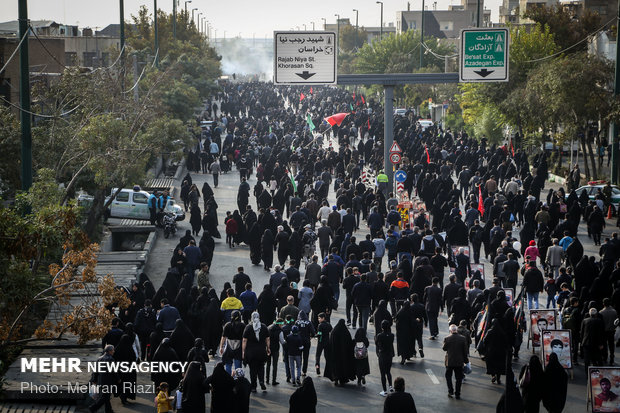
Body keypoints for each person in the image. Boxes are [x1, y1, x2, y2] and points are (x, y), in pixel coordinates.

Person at [242, 312, 270, 393]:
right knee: (261, 367)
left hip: (251, 353)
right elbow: (267, 339)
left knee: (252, 369)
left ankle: (253, 386)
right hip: (261, 351)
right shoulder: (264, 327)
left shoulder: (248, 327)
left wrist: (243, 351)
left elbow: (244, 340)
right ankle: (261, 380)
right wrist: (268, 348)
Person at [323, 319, 356, 386]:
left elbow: (330, 343)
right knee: (342, 367)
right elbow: (349, 343)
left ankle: (335, 378)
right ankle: (342, 379)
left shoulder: (334, 332)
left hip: (334, 354)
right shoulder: (346, 332)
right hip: (343, 356)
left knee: (335, 367)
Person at [88, 345, 118, 413]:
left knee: (106, 396)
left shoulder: (99, 358)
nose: (114, 351)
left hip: (101, 380)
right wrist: (118, 379)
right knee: (105, 397)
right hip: (108, 380)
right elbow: (114, 371)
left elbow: (96, 370)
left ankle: (109, 410)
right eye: (113, 350)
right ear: (110, 351)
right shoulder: (111, 359)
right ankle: (93, 408)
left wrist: (95, 380)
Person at [442, 324, 468, 399]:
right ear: (456, 330)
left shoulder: (447, 338)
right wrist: (466, 361)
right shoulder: (463, 338)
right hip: (459, 362)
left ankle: (450, 391)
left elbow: (444, 348)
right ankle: (457, 393)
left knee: (448, 376)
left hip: (449, 362)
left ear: (450, 331)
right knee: (458, 378)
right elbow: (465, 351)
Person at [375, 319, 395, 397]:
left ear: (382, 327)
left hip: (382, 355)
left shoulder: (379, 335)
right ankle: (390, 386)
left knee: (382, 374)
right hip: (389, 355)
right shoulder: (392, 335)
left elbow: (377, 344)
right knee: (388, 371)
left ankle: (385, 391)